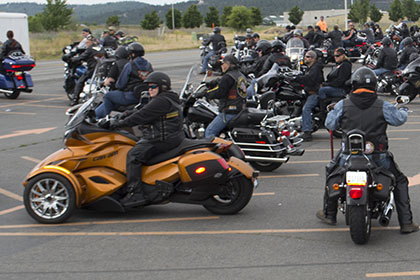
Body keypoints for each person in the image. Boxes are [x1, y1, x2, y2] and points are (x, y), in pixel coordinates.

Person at [316, 67, 419, 234]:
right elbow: (399, 120)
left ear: (354, 84)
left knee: (332, 172)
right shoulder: (383, 105)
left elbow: (329, 124)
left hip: (348, 156)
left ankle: (330, 214)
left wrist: (333, 110)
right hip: (378, 156)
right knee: (400, 181)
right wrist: (403, 108)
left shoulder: (343, 104)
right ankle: (406, 223)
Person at [104, 72, 185, 207]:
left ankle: (135, 194)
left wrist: (116, 124)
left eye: (153, 86)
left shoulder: (161, 101)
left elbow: (140, 116)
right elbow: (142, 110)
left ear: (162, 87)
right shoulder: (167, 98)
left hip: (161, 139)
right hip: (171, 136)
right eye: (148, 87)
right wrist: (123, 114)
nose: (150, 89)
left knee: (133, 155)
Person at [95, 42, 153, 118]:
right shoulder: (148, 65)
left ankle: (105, 120)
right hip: (145, 94)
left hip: (131, 95)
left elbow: (120, 84)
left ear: (132, 54)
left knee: (108, 96)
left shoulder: (130, 65)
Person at [201, 55, 247, 138]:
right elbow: (225, 84)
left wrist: (205, 93)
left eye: (223, 63)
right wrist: (213, 82)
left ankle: (212, 150)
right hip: (240, 109)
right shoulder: (240, 75)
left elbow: (219, 92)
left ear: (228, 65)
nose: (221, 66)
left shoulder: (227, 77)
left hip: (229, 111)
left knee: (209, 132)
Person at [295, 50, 324, 141]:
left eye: (307, 57)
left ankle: (307, 132)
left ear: (312, 58)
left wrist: (297, 78)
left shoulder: (315, 69)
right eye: (305, 56)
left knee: (306, 108)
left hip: (314, 93)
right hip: (310, 92)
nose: (305, 58)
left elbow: (309, 79)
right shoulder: (311, 68)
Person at [70, 35, 104, 106]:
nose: (86, 44)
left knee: (80, 81)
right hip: (102, 70)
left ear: (91, 42)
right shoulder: (101, 48)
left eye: (87, 42)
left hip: (93, 70)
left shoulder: (90, 49)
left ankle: (75, 99)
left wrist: (72, 59)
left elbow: (81, 57)